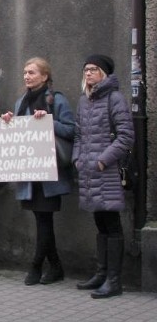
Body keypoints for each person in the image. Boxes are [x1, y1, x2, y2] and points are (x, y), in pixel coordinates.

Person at [1, 57, 74, 285]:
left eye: (31, 72)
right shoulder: (21, 101)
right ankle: (56, 267)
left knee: (44, 221)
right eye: (24, 72)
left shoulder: (56, 99)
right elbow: (20, 135)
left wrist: (48, 121)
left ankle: (35, 266)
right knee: (42, 220)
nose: (26, 76)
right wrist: (9, 122)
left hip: (49, 175)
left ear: (44, 76)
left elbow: (72, 130)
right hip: (30, 175)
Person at [73, 54, 134, 299]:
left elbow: (126, 136)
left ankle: (114, 280)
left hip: (105, 171)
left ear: (104, 73)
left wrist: (102, 160)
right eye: (86, 69)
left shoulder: (115, 98)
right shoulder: (83, 101)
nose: (88, 73)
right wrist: (78, 159)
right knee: (100, 223)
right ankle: (102, 273)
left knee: (111, 224)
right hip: (88, 172)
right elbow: (78, 135)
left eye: (93, 69)